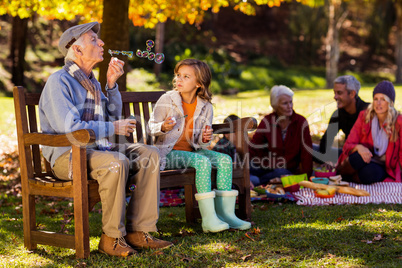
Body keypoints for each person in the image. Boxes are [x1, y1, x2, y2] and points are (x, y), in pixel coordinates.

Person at [39, 22, 172, 258]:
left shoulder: (91, 83)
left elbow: (111, 119)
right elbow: (70, 128)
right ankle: (111, 237)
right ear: (77, 49)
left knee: (149, 154)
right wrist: (112, 126)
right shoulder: (59, 82)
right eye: (93, 40)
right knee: (116, 161)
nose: (101, 43)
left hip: (96, 149)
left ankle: (140, 231)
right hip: (67, 155)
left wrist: (111, 85)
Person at [148, 59, 251, 233]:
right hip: (168, 153)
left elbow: (201, 143)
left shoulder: (206, 107)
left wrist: (205, 138)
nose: (179, 79)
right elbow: (151, 127)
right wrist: (163, 127)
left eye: (186, 76)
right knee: (202, 162)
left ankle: (226, 215)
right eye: (178, 75)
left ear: (198, 83)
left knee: (225, 160)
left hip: (192, 152)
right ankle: (209, 220)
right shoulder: (167, 100)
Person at [337, 81, 402, 184]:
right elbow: (348, 145)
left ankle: (348, 178)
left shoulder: (398, 122)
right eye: (376, 99)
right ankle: (342, 175)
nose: (378, 103)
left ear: (390, 102)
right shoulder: (364, 116)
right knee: (357, 158)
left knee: (369, 173)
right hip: (364, 157)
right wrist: (359, 147)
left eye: (383, 99)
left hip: (383, 165)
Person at [249, 85, 313, 186]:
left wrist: (306, 178)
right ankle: (257, 181)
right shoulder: (267, 121)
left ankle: (259, 182)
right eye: (285, 103)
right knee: (248, 167)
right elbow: (253, 147)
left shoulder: (301, 122)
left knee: (281, 173)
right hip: (265, 167)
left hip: (286, 170)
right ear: (275, 105)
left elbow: (307, 153)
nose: (290, 106)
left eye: (291, 102)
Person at [315, 75, 369, 164]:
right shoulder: (338, 114)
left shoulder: (368, 112)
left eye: (339, 93)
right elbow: (325, 142)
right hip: (347, 153)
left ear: (352, 94)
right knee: (309, 149)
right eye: (334, 93)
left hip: (365, 156)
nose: (335, 97)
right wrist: (327, 161)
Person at [212, 114, 259, 188]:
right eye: (237, 132)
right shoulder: (223, 146)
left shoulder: (235, 144)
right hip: (223, 179)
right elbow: (227, 170)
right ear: (226, 134)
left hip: (234, 173)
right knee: (255, 179)